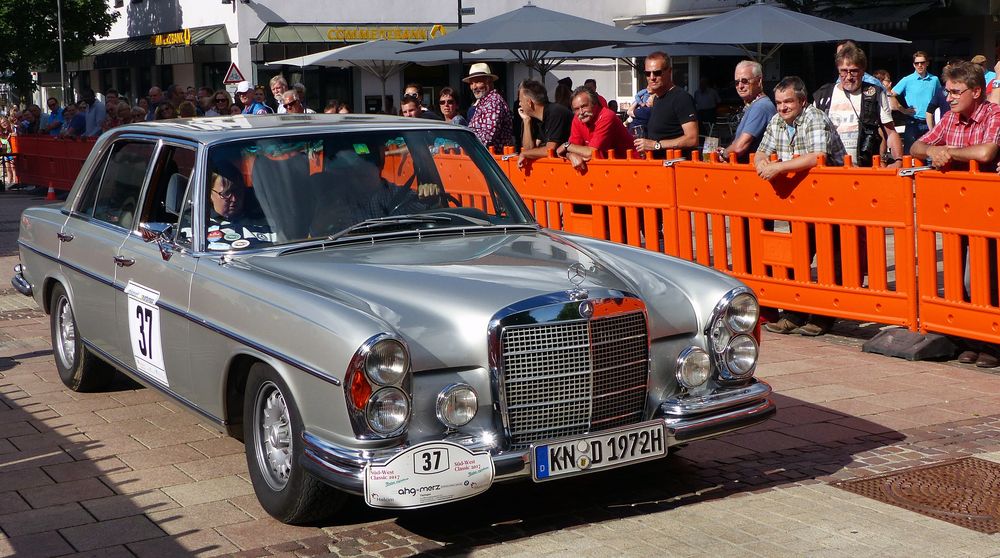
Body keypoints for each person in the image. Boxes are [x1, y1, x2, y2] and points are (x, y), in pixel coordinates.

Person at [756, 76, 846, 337]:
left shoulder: (814, 117)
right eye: (779, 102)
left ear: (802, 101)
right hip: (802, 204)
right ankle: (794, 314)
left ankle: (822, 317)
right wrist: (761, 163)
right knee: (798, 257)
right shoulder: (776, 120)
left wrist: (778, 166)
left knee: (828, 261)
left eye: (788, 102)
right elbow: (762, 149)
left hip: (830, 201)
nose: (782, 107)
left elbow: (818, 157)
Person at [813, 45, 903, 168]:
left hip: (863, 170)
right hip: (829, 171)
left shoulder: (874, 93)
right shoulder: (822, 95)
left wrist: (898, 161)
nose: (849, 77)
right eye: (844, 71)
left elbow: (890, 132)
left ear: (862, 71)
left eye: (854, 71)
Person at [634, 51, 698, 158]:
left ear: (669, 72)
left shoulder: (681, 98)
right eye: (647, 73)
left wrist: (656, 145)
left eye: (657, 73)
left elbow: (692, 139)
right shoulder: (656, 98)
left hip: (676, 168)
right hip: (658, 166)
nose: (652, 77)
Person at [556, 86, 634, 171]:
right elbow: (573, 149)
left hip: (630, 166)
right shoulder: (577, 118)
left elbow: (591, 152)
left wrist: (566, 146)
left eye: (584, 106)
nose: (581, 112)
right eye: (576, 109)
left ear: (595, 104)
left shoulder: (607, 116)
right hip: (607, 169)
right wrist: (570, 155)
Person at [722, 60, 776, 162]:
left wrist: (723, 153)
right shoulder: (754, 104)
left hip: (753, 171)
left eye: (745, 81)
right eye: (737, 82)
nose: (740, 86)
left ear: (759, 81)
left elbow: (740, 147)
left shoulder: (760, 107)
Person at [205, 173, 275, 251]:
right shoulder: (199, 226)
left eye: (237, 191)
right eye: (226, 193)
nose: (234, 199)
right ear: (210, 194)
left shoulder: (267, 223)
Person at [893, 51, 944, 153]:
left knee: (930, 154)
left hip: (930, 122)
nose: (919, 65)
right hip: (913, 122)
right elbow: (890, 94)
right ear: (913, 65)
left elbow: (940, 97)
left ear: (927, 63)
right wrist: (903, 110)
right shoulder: (907, 80)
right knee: (910, 154)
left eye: (922, 62)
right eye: (917, 63)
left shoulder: (934, 80)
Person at [516, 79, 572, 168]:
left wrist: (524, 154)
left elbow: (549, 150)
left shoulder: (555, 112)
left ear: (529, 102)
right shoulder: (539, 118)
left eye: (520, 100)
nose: (519, 104)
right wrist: (526, 121)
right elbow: (529, 150)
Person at [465, 63, 514, 150]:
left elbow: (487, 138)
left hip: (493, 159)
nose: (474, 87)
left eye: (478, 82)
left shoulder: (493, 102)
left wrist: (464, 145)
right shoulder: (484, 102)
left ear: (489, 81)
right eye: (471, 83)